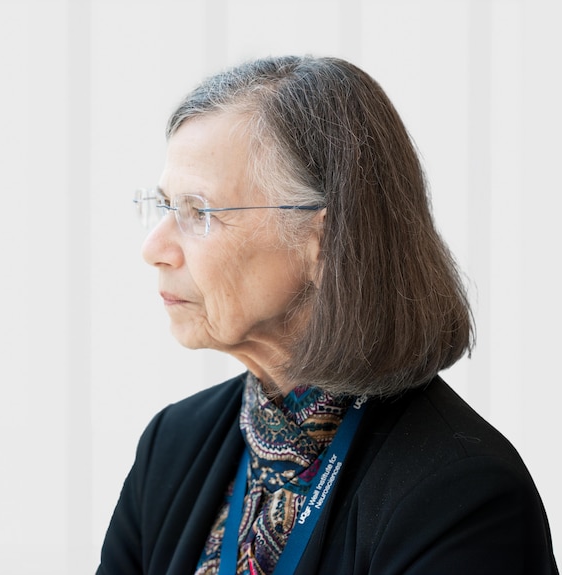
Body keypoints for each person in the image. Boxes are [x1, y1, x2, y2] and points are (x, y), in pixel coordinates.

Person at [97, 56, 558, 575]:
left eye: (198, 212)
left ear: (325, 240)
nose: (153, 248)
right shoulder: (171, 447)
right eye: (163, 207)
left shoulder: (462, 497)